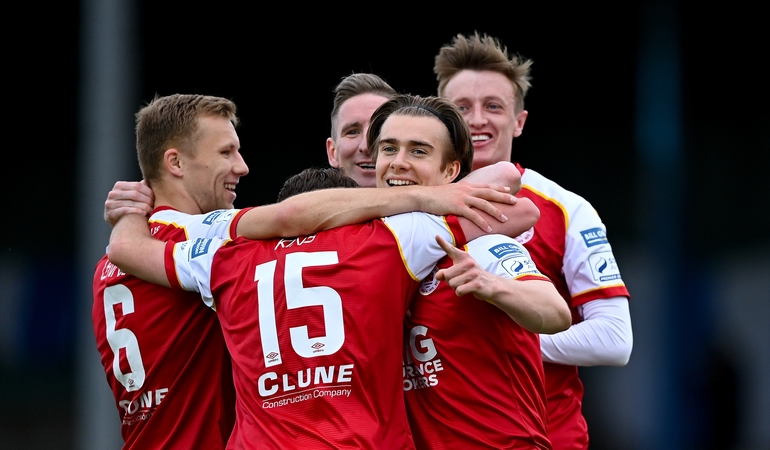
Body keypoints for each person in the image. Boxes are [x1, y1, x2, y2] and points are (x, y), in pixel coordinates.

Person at [93, 93, 520, 448]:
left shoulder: (201, 251)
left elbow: (124, 247)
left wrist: (130, 211)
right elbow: (516, 202)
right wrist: (427, 197)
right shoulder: (384, 240)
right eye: (227, 152)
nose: (242, 166)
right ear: (175, 162)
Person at [434, 31, 634, 449]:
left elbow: (615, 339)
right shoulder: (413, 206)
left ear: (519, 121)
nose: (477, 120)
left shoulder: (565, 208)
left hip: (545, 436)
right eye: (461, 108)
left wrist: (498, 343)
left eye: (493, 106)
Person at [367, 93, 571, 449]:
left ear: (450, 171)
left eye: (418, 151)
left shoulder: (478, 243)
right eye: (388, 149)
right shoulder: (370, 253)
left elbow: (554, 313)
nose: (398, 163)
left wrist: (490, 284)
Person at [325, 73, 396, 187]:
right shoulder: (299, 203)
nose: (367, 146)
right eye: (352, 132)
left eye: (379, 130)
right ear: (332, 152)